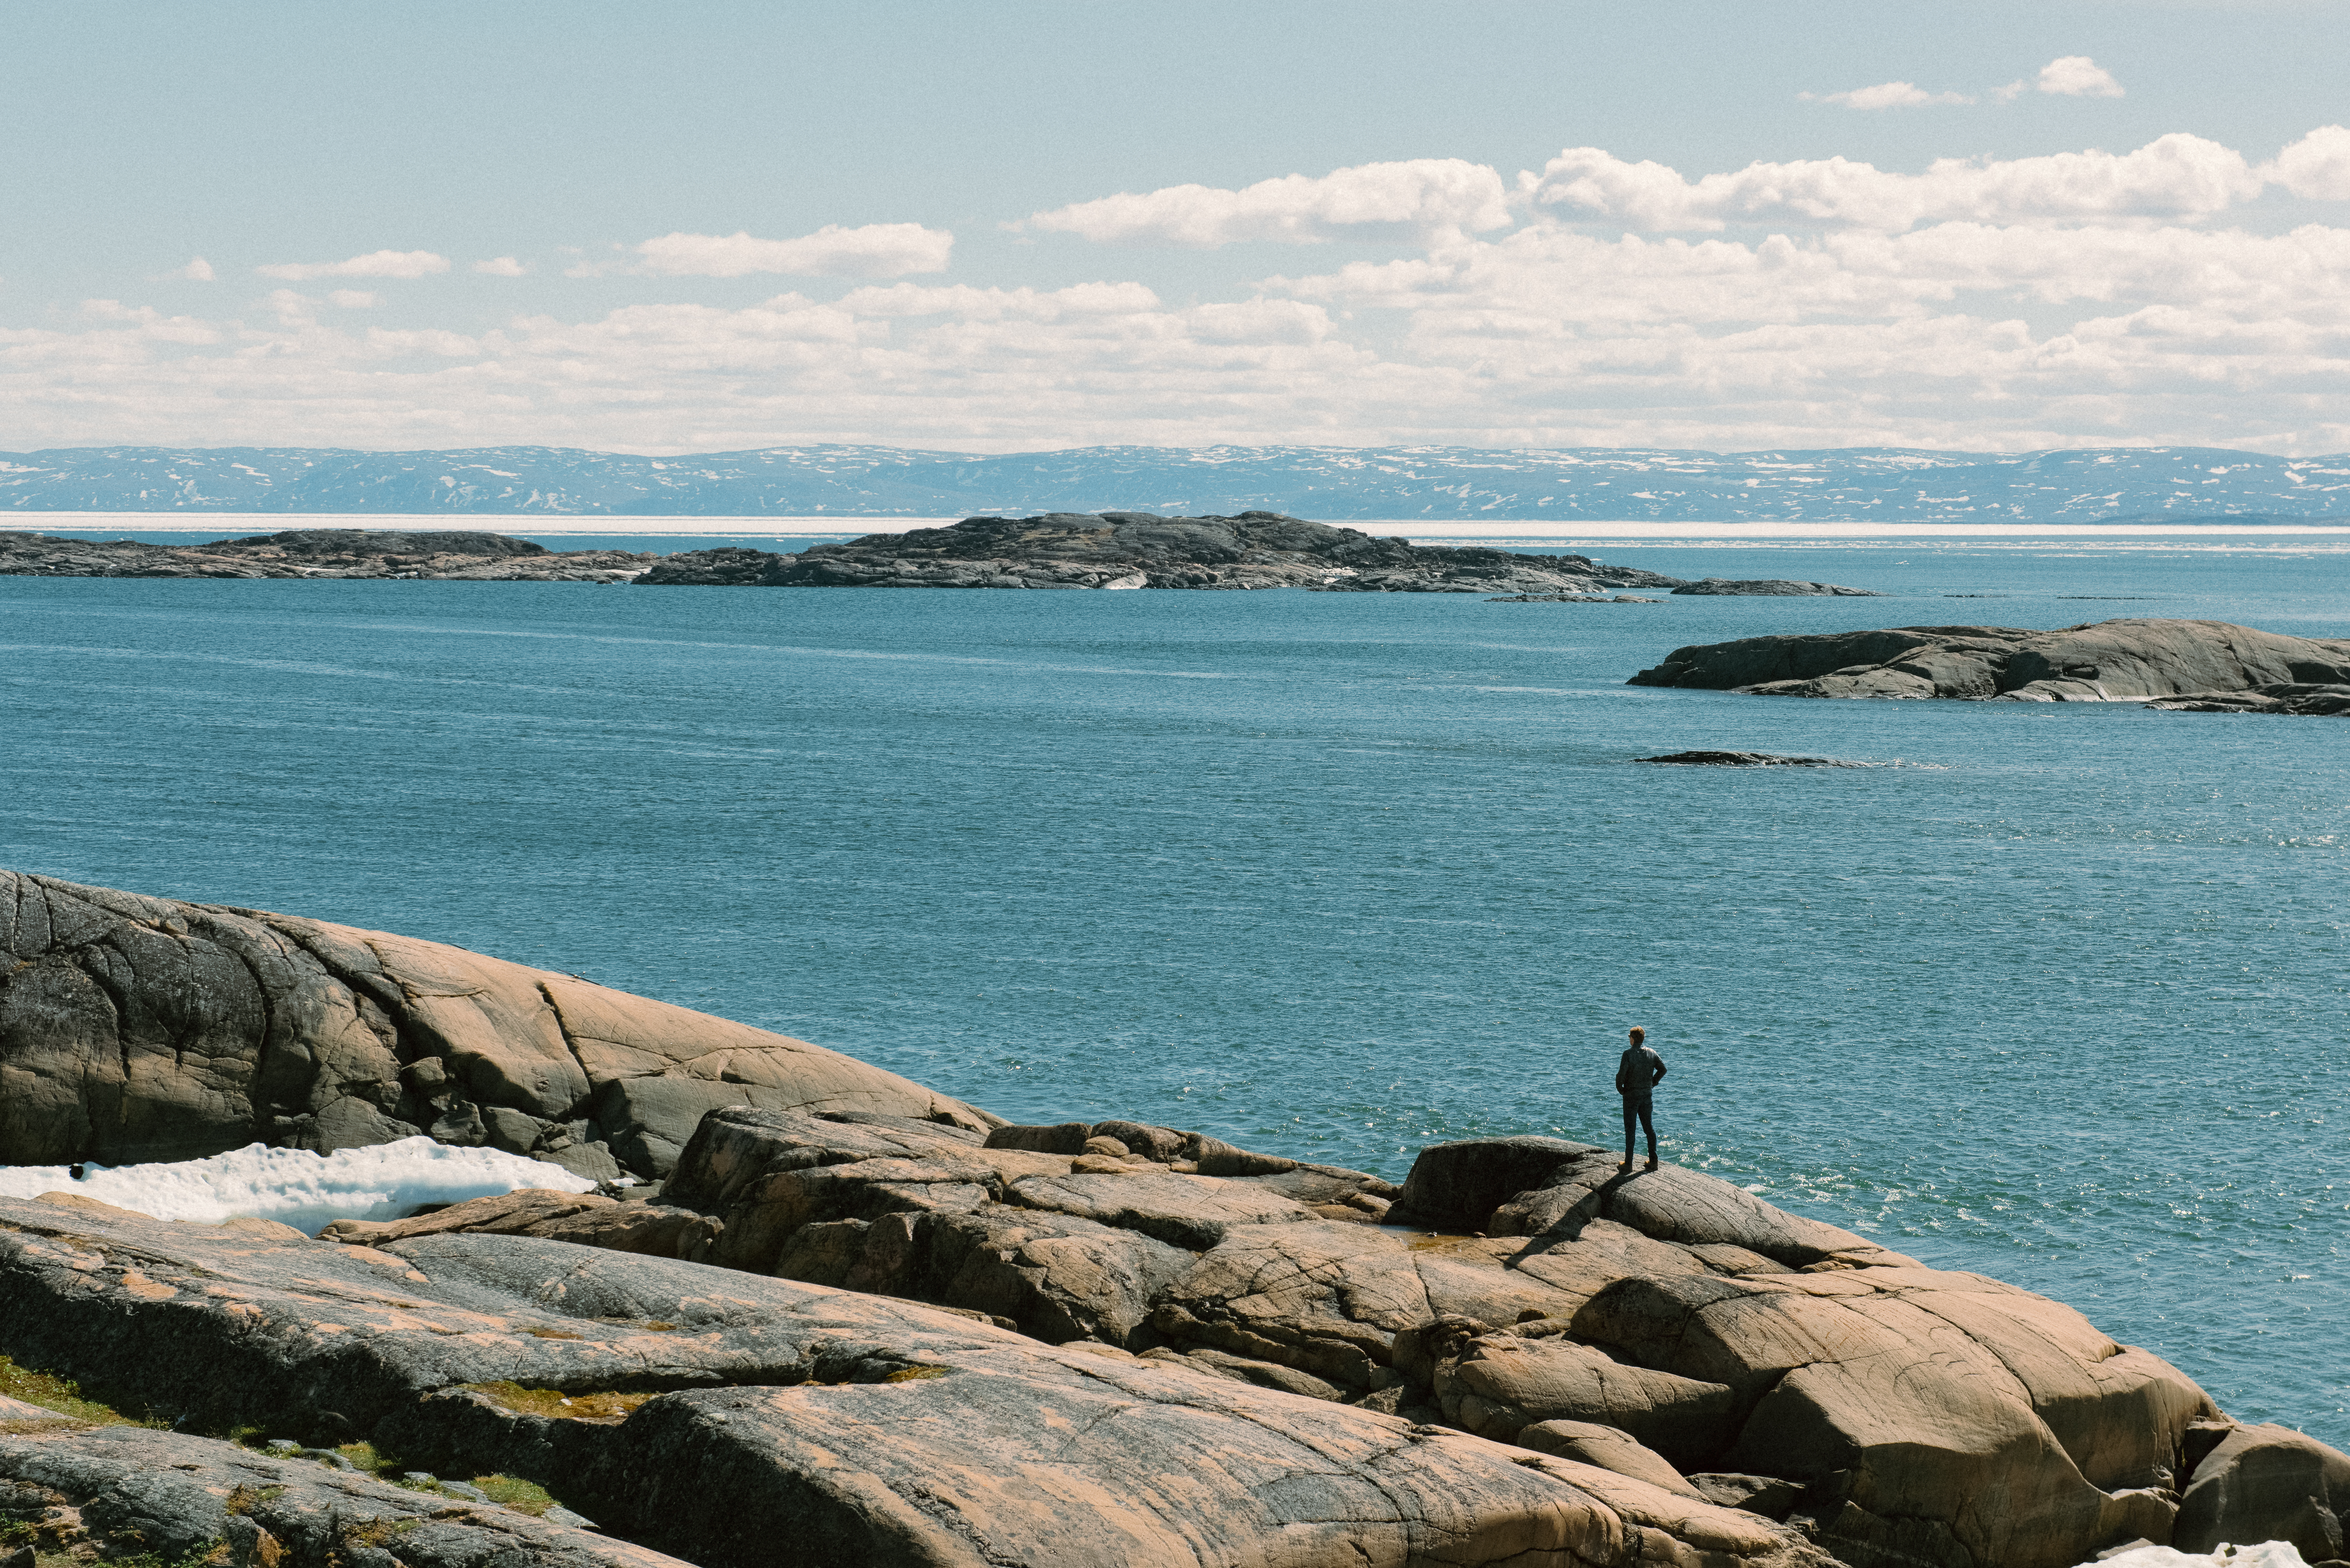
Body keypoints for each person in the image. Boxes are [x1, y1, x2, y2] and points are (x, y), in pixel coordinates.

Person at [1615, 1026, 1666, 1173]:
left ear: (1632, 1039)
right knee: (1649, 1128)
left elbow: (1621, 1076)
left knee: (1631, 1130)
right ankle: (1654, 1161)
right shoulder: (1652, 1053)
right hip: (1646, 1095)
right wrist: (1653, 1082)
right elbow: (1663, 1069)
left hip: (1631, 1096)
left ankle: (1629, 1164)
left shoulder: (1628, 1054)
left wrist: (1621, 1090)